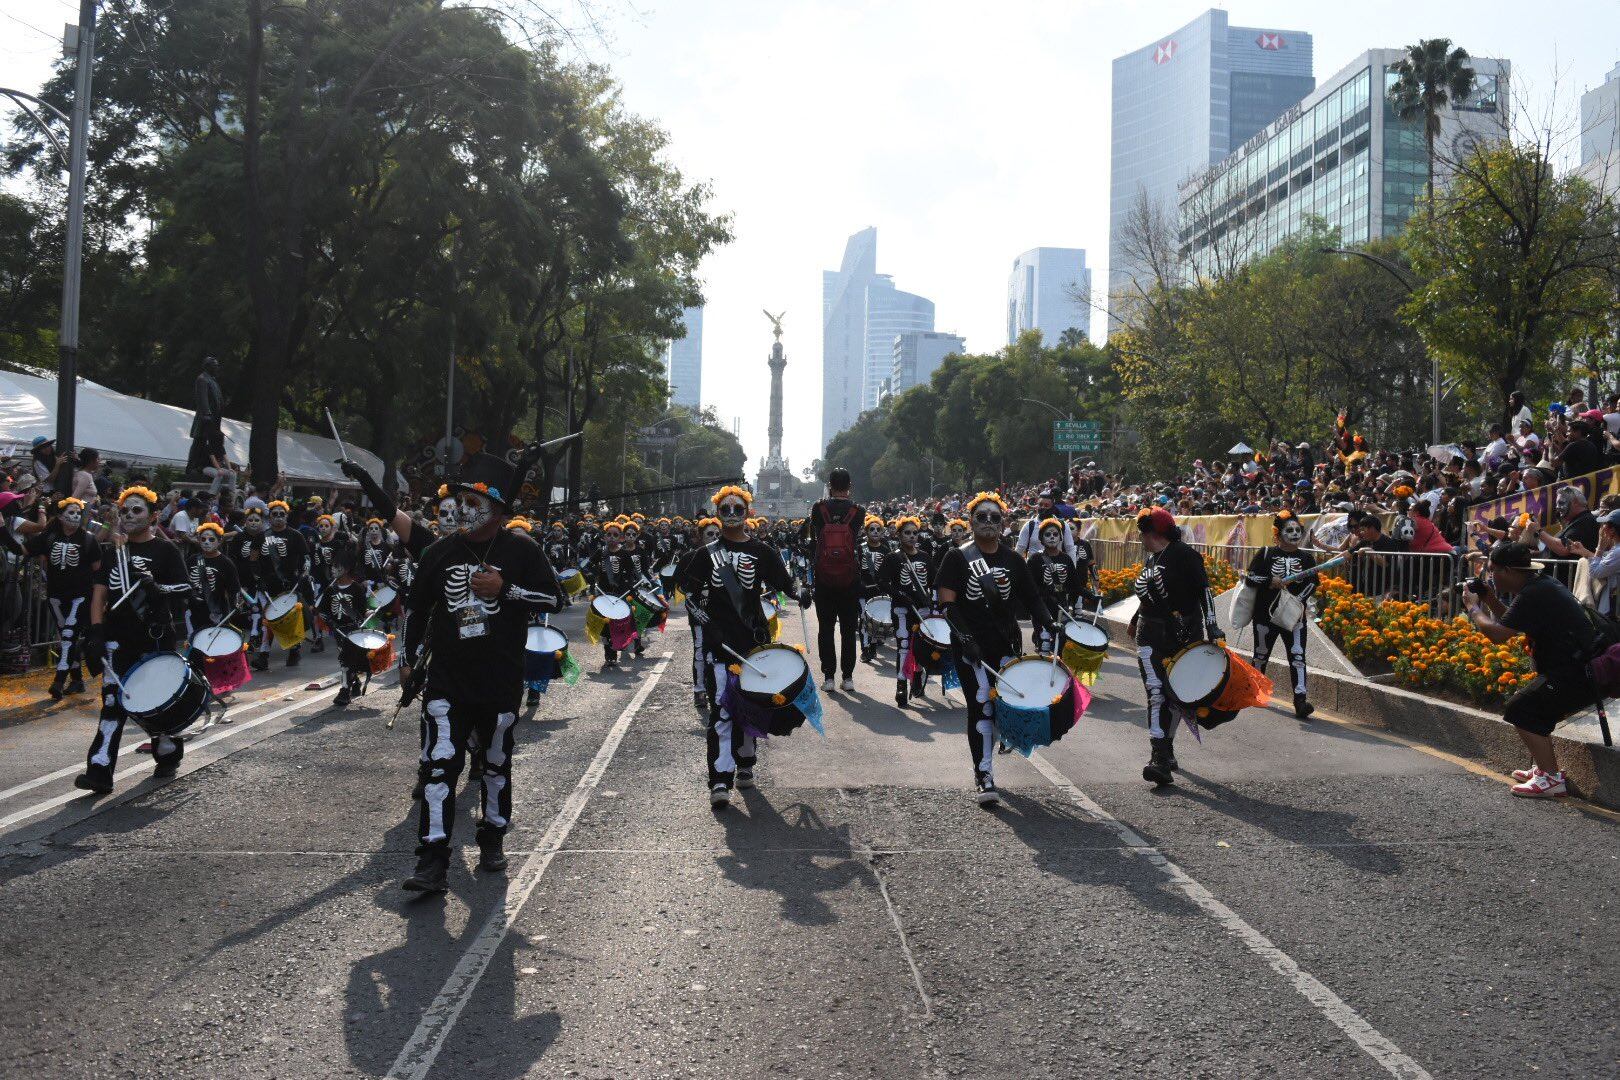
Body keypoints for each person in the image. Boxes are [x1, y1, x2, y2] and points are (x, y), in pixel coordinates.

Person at [400, 452, 562, 892]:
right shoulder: (439, 551)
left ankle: (492, 835)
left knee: (494, 764)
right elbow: (415, 608)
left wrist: (505, 589)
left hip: (499, 681)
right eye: (460, 499)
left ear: (496, 509)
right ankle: (432, 859)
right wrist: (408, 658)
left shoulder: (522, 550)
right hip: (447, 681)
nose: (461, 509)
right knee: (439, 765)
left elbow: (554, 600)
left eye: (472, 501)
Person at [677, 485, 799, 808]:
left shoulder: (763, 552)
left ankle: (746, 763)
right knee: (721, 710)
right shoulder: (706, 555)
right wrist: (708, 625)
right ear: (718, 513)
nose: (731, 515)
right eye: (726, 510)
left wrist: (802, 592)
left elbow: (784, 582)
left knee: (753, 704)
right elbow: (688, 595)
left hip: (754, 640)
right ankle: (719, 779)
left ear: (748, 512)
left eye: (738, 509)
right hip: (720, 643)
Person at [74, 486, 191, 794]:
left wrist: (159, 589)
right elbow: (99, 593)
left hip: (154, 639)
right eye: (124, 511)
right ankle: (99, 771)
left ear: (153, 517)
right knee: (112, 704)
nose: (128, 516)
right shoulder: (113, 553)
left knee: (158, 703)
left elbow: (185, 589)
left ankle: (166, 753)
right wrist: (96, 630)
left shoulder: (166, 551)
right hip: (117, 640)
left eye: (136, 510)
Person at [1464, 541, 1598, 798]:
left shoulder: (1534, 593)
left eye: (1493, 571)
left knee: (1521, 707)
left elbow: (1499, 635)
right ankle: (1543, 769)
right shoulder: (1539, 585)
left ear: (1509, 571)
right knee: (1535, 706)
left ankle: (1550, 778)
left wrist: (1472, 607)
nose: (1490, 576)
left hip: (1577, 672)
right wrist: (1488, 597)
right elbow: (1512, 623)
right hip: (1574, 667)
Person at [1128, 506, 1219, 787]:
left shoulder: (1185, 555)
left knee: (1178, 695)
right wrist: (1133, 620)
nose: (1141, 539)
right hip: (1149, 634)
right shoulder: (1152, 560)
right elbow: (1148, 599)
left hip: (1183, 634)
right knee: (1155, 694)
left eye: (1143, 533)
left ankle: (1166, 747)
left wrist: (1213, 625)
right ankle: (1159, 756)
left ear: (1152, 533)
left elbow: (1204, 591)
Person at [1241, 510, 1317, 720]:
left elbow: (1313, 582)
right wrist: (1269, 581)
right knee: (1261, 654)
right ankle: (1257, 692)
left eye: (1297, 530)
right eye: (1289, 530)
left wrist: (1296, 601)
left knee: (1298, 657)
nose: (1294, 533)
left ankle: (1300, 700)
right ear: (1278, 533)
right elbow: (1251, 578)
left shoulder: (1306, 558)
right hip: (1265, 615)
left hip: (1294, 618)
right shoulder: (1266, 553)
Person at [24, 496, 101, 700]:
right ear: (59, 516)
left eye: (78, 512)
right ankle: (76, 681)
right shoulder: (49, 537)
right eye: (71, 512)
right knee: (68, 638)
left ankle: (58, 681)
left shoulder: (88, 539)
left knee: (68, 637)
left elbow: (98, 571)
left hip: (80, 597)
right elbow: (24, 550)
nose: (75, 516)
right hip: (56, 596)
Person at [800, 468, 864, 692]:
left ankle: (828, 677)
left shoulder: (819, 508)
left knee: (825, 628)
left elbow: (813, 535)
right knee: (848, 629)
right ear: (849, 486)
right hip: (850, 578)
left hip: (824, 577)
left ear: (829, 485)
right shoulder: (858, 511)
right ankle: (848, 678)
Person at [880, 516, 935, 708]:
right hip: (902, 609)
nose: (912, 536)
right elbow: (883, 582)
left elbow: (933, 583)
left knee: (922, 645)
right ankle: (901, 685)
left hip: (923, 609)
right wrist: (900, 595)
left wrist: (933, 604)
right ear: (899, 535)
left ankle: (917, 678)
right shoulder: (893, 557)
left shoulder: (926, 557)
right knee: (904, 645)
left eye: (915, 533)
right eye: (907, 533)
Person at [188, 356, 225, 475]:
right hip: (205, 418)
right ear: (208, 366)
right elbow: (202, 399)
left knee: (209, 443)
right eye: (215, 366)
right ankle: (192, 466)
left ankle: (203, 465)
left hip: (214, 419)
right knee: (199, 441)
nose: (217, 368)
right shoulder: (202, 379)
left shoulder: (213, 380)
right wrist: (207, 414)